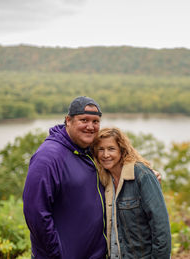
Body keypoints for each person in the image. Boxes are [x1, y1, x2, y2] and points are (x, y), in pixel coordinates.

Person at [23, 96, 107, 258]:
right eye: (84, 120)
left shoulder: (91, 152)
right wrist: (56, 254)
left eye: (95, 121)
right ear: (68, 120)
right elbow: (35, 213)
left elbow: (118, 167)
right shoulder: (48, 157)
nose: (90, 127)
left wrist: (144, 175)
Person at [92, 127, 171, 259]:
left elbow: (161, 228)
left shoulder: (142, 175)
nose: (105, 155)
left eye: (111, 149)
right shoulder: (102, 180)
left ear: (122, 150)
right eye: (101, 149)